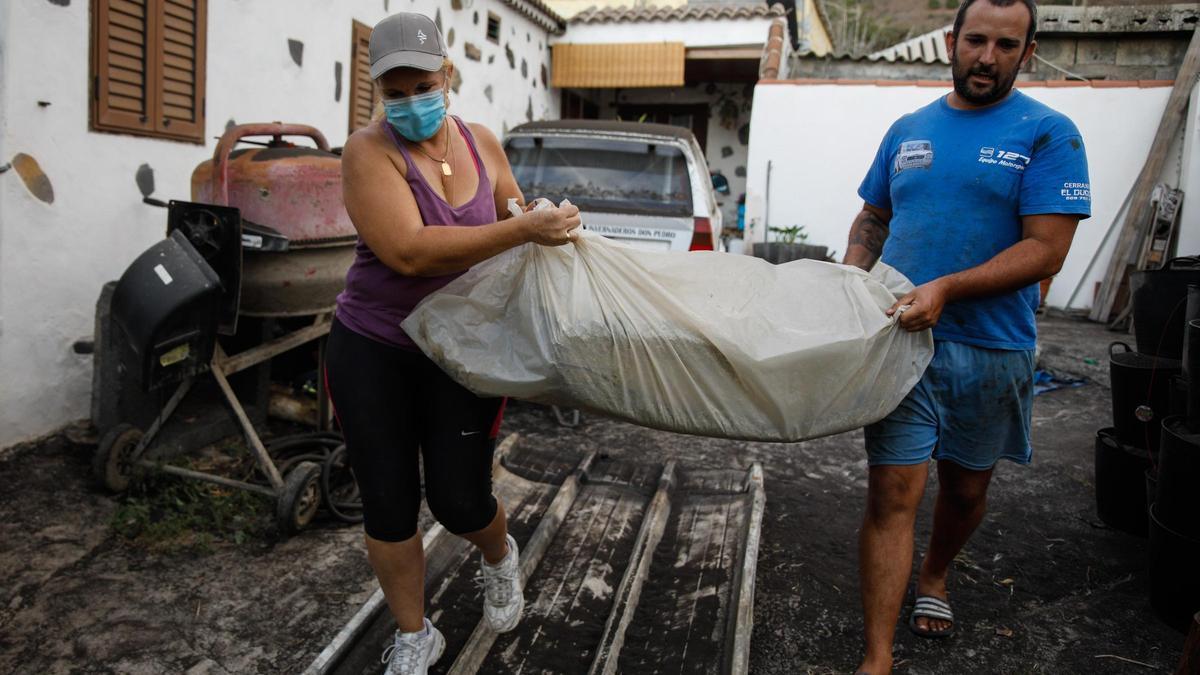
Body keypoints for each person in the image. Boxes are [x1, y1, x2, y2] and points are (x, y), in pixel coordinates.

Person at [324, 12, 581, 675]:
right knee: (387, 500)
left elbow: (514, 221)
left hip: (462, 352)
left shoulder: (484, 144)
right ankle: (416, 632)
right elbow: (409, 252)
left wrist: (543, 224)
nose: (411, 101)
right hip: (374, 347)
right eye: (396, 91)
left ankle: (499, 555)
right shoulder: (366, 152)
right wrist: (525, 232)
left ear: (448, 74)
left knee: (459, 499)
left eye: (423, 84)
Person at [841, 0, 1090, 672]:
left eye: (1006, 46)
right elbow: (873, 216)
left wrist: (947, 288)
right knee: (892, 493)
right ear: (951, 42)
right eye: (976, 40)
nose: (987, 57)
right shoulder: (908, 128)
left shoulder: (1050, 133)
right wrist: (845, 285)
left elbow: (1046, 251)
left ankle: (936, 573)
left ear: (1028, 52)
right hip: (901, 342)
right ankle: (878, 656)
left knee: (965, 491)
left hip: (991, 350)